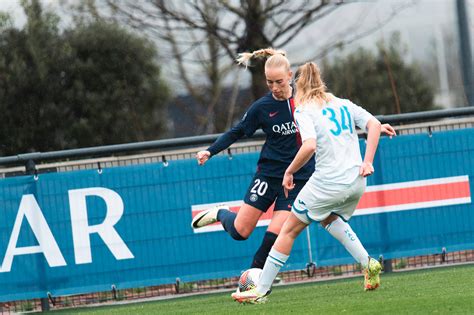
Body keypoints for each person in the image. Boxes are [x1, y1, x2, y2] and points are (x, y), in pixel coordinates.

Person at [192, 48, 396, 271]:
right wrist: (210, 151)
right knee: (241, 232)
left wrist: (376, 126)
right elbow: (237, 131)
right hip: (268, 175)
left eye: (279, 81)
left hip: (298, 178)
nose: (275, 87)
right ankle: (221, 213)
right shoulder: (262, 107)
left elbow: (336, 118)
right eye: (269, 82)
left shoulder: (307, 103)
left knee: (275, 234)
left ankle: (253, 282)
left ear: (290, 76)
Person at [231, 61, 384, 304]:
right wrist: (367, 161)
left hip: (327, 183)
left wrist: (289, 171)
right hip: (356, 181)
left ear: (298, 87)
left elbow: (309, 145)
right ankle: (368, 263)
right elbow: (374, 125)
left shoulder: (303, 110)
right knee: (328, 218)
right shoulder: (342, 103)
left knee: (289, 230)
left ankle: (260, 290)